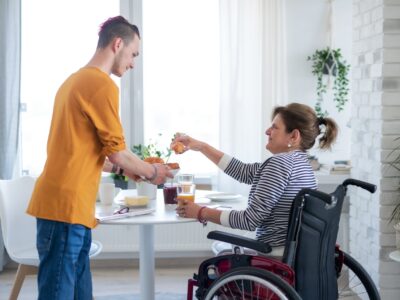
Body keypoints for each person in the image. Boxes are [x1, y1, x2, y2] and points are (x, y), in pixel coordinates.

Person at [26, 16, 172, 299]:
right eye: (133, 54)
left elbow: (81, 151)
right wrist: (154, 173)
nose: (132, 63)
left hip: (68, 207)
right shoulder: (101, 84)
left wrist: (124, 170)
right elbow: (117, 151)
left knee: (79, 292)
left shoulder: (73, 81)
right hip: (66, 208)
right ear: (118, 44)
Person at [172, 103, 338, 255]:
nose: (267, 131)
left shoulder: (280, 164)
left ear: (293, 136)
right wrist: (202, 147)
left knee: (219, 250)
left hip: (273, 253)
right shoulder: (302, 164)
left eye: (274, 127)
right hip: (294, 250)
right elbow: (243, 172)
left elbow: (249, 220)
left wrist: (201, 212)